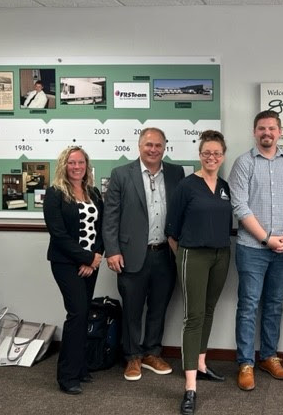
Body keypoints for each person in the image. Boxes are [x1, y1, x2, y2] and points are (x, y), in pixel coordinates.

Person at [228, 110, 283, 391]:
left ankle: (269, 357)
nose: (267, 133)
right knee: (248, 306)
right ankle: (245, 363)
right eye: (262, 128)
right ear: (254, 132)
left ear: (280, 132)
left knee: (274, 305)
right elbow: (240, 206)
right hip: (252, 248)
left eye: (272, 128)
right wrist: (267, 238)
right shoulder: (243, 163)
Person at [102, 127, 185, 381]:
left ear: (165, 147)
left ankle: (152, 352)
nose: (153, 149)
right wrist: (112, 251)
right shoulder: (121, 174)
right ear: (139, 146)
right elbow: (110, 217)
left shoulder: (175, 173)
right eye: (148, 144)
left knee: (158, 308)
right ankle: (132, 357)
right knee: (132, 310)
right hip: (131, 255)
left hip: (165, 254)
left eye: (158, 145)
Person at [166, 130, 232, 415]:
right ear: (200, 154)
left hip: (221, 254)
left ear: (223, 156)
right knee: (192, 317)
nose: (212, 157)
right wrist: (183, 255)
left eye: (217, 153)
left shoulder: (225, 186)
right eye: (207, 153)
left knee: (208, 311)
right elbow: (171, 230)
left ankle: (201, 364)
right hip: (192, 254)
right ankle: (190, 387)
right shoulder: (186, 185)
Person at [43, 146, 103, 395]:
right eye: (71, 162)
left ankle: (80, 368)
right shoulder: (55, 193)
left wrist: (95, 257)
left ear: (86, 166)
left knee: (84, 312)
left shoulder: (94, 192)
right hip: (66, 263)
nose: (77, 166)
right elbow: (58, 234)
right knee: (77, 313)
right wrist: (87, 258)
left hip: (91, 264)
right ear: (63, 165)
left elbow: (101, 227)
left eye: (81, 162)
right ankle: (67, 376)